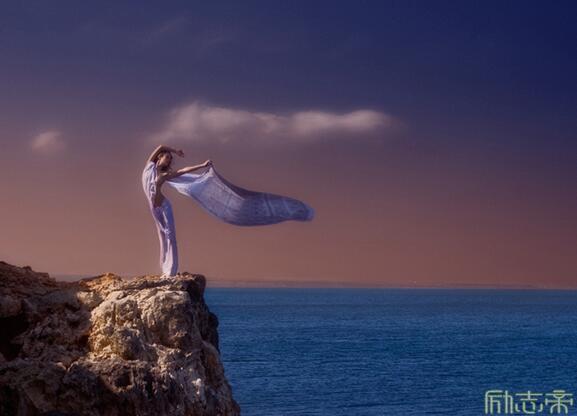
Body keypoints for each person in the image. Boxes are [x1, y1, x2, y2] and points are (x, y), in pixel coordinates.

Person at [141, 145, 211, 278]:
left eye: (170, 159)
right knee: (162, 235)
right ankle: (164, 267)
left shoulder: (165, 175)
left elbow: (183, 171)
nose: (168, 160)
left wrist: (202, 165)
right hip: (154, 208)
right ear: (159, 157)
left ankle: (171, 270)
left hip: (164, 206)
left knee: (170, 235)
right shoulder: (149, 166)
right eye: (167, 157)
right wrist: (176, 152)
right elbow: (161, 146)